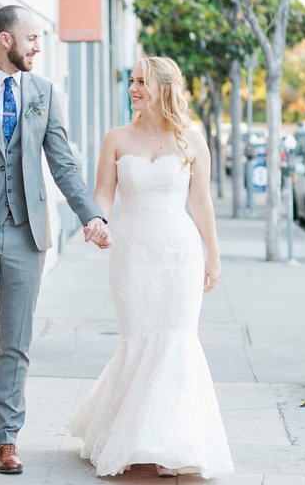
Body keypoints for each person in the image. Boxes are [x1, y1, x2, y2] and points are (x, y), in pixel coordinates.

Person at [0, 5, 111, 475]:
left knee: (16, 338)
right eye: (31, 38)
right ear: (5, 40)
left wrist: (90, 214)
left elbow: (63, 163)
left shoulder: (43, 93)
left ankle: (6, 438)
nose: (37, 47)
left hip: (27, 229)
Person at [68, 56, 234, 478]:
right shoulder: (116, 138)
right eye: (131, 81)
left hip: (180, 254)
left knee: (177, 340)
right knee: (140, 339)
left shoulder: (192, 141)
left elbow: (201, 202)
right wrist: (97, 222)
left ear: (163, 87)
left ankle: (171, 445)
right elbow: (103, 194)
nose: (133, 88)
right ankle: (131, 434)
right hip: (133, 255)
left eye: (141, 81)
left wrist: (213, 253)